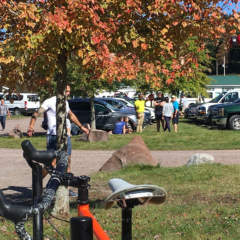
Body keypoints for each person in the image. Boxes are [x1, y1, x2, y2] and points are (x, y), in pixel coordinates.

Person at [27, 85, 89, 197]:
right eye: (67, 91)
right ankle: (37, 183)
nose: (69, 93)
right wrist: (31, 126)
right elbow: (37, 113)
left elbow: (71, 115)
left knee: (67, 161)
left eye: (70, 91)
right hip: (53, 136)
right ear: (61, 90)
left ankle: (66, 188)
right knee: (51, 164)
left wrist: (81, 127)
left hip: (65, 136)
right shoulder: (49, 101)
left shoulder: (65, 102)